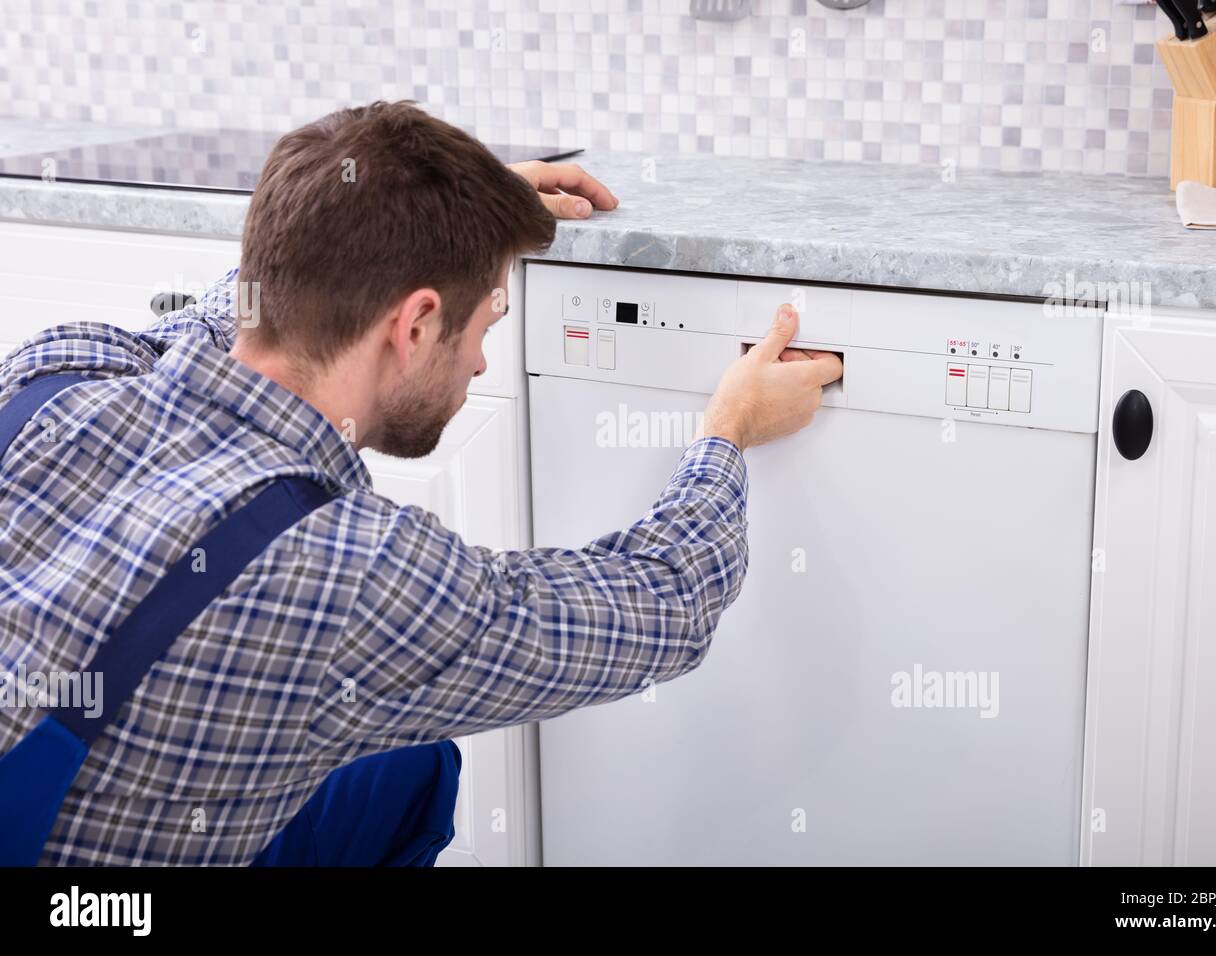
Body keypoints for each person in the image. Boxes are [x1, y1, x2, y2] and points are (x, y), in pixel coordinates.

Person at [0, 101, 842, 865]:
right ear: (417, 322)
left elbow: (231, 304)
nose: (480, 358)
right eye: (485, 320)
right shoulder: (353, 575)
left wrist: (445, 225)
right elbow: (663, 602)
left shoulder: (61, 370)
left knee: (402, 762)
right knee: (415, 760)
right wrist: (729, 432)